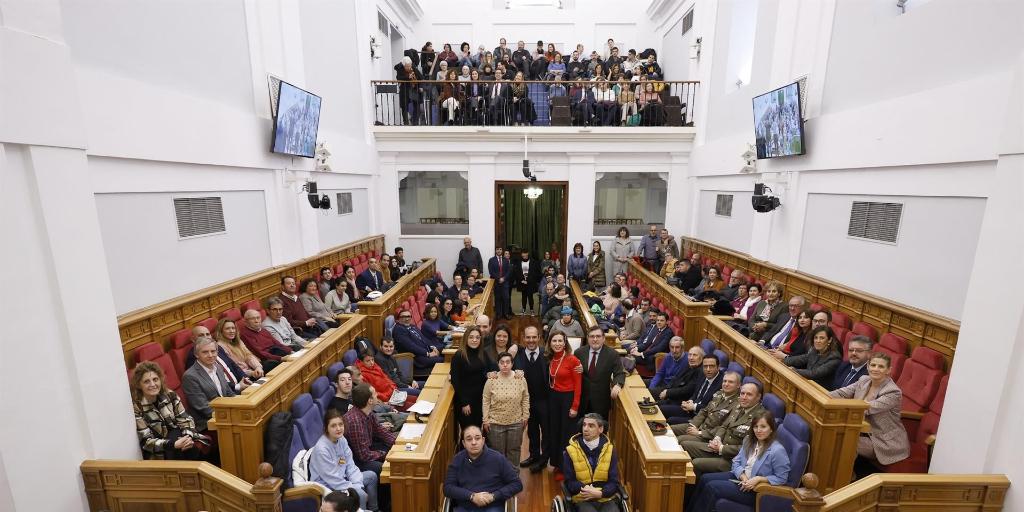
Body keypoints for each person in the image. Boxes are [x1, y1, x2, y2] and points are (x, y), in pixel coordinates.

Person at [686, 411, 791, 512]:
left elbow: (782, 478)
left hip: (755, 490)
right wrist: (743, 476)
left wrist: (758, 479)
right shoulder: (749, 440)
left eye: (763, 427)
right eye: (755, 426)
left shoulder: (777, 450)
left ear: (771, 429)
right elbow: (736, 461)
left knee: (712, 487)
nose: (758, 430)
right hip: (741, 478)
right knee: (704, 478)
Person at [829, 353, 910, 470]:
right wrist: (822, 397)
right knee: (837, 434)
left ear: (888, 370)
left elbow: (866, 408)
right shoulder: (864, 380)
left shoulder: (893, 392)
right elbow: (842, 393)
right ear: (867, 366)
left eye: (881, 366)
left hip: (882, 440)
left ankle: (845, 477)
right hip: (861, 430)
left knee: (846, 440)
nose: (876, 369)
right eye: (873, 365)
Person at [680, 382, 766, 477]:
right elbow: (724, 426)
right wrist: (717, 438)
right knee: (684, 445)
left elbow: (750, 448)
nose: (744, 397)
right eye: (742, 393)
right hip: (719, 448)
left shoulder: (760, 418)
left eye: (749, 394)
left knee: (696, 463)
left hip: (733, 459)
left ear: (758, 397)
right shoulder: (739, 407)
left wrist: (721, 448)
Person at [131, 361, 205, 460]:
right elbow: (146, 442)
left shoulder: (170, 395)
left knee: (189, 448)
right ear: (139, 385)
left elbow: (185, 419)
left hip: (179, 437)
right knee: (184, 452)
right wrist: (173, 444)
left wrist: (187, 437)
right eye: (146, 381)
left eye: (155, 379)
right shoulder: (137, 408)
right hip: (160, 449)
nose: (152, 384)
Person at [310, 409, 378, 511]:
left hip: (343, 479)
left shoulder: (341, 439)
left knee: (371, 476)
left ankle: (373, 509)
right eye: (333, 426)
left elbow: (350, 466)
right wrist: (355, 490)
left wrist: (357, 485)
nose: (338, 428)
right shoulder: (322, 449)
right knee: (360, 495)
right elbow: (333, 480)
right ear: (326, 428)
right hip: (329, 487)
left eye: (340, 424)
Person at [443, 425, 524, 512]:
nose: (474, 442)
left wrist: (493, 496)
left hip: (493, 506)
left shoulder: (498, 458)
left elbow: (517, 484)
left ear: (483, 440)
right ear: (464, 443)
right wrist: (471, 496)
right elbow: (448, 487)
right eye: (469, 439)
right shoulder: (457, 460)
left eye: (477, 438)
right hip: (466, 506)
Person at [182, 337, 248, 431]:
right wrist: (231, 415)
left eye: (213, 351)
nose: (210, 355)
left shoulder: (218, 367)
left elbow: (228, 393)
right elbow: (203, 407)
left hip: (225, 413)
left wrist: (242, 404)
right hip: (208, 421)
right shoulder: (190, 376)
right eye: (205, 352)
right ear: (196, 354)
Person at [562, 414, 622, 512]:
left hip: (605, 497)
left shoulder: (610, 450)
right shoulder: (570, 451)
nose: (585, 429)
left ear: (600, 429)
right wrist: (586, 489)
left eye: (591, 426)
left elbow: (614, 482)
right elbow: (570, 482)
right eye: (584, 425)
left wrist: (601, 493)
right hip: (582, 497)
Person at [544, 331, 583, 478]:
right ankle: (556, 463)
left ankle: (565, 468)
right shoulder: (550, 358)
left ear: (565, 342)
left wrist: (575, 406)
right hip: (553, 398)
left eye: (560, 341)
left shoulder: (573, 360)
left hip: (568, 398)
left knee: (566, 433)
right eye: (554, 341)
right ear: (550, 343)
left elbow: (578, 385)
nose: (557, 344)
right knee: (554, 431)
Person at [482, 352, 530, 466]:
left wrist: (526, 416)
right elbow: (486, 401)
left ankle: (513, 475)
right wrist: (485, 420)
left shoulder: (520, 378)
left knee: (514, 451)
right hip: (496, 422)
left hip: (516, 422)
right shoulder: (491, 380)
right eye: (502, 362)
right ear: (498, 364)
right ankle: (498, 475)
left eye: (508, 362)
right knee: (497, 453)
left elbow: (525, 398)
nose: (505, 365)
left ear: (512, 364)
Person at [512, 326, 549, 472]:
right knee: (532, 431)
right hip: (527, 402)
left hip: (545, 400)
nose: (531, 340)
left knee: (546, 431)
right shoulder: (517, 355)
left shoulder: (547, 354)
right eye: (528, 337)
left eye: (534, 337)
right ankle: (534, 455)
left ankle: (544, 459)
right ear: (523, 338)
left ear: (539, 337)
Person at [672, 370, 742, 441]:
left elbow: (724, 427)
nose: (726, 384)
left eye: (730, 382)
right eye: (724, 381)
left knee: (678, 440)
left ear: (738, 385)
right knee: (671, 429)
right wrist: (694, 425)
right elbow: (704, 411)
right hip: (700, 426)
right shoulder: (719, 394)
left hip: (709, 436)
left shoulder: (738, 404)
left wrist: (700, 433)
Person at [343, 384, 397, 475]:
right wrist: (385, 454)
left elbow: (380, 430)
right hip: (357, 461)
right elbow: (364, 455)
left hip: (368, 449)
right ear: (370, 401)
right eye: (375, 393)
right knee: (387, 468)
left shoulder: (368, 412)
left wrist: (397, 443)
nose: (377, 395)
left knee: (393, 449)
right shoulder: (354, 422)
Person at [575, 326, 625, 420]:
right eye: (592, 336)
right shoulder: (579, 352)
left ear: (603, 338)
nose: (595, 339)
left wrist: (618, 385)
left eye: (598, 336)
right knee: (581, 426)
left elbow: (619, 373)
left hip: (601, 402)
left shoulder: (612, 354)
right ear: (588, 338)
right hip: (582, 401)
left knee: (600, 427)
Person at [665, 354, 723, 424]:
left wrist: (694, 407)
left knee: (671, 420)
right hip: (691, 410)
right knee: (662, 409)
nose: (708, 369)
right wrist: (690, 401)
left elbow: (712, 407)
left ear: (718, 367)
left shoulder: (722, 383)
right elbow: (696, 393)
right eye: (705, 366)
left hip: (702, 418)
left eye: (711, 366)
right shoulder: (702, 373)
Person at [452, 326, 489, 429]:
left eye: (477, 337)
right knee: (468, 431)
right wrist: (464, 402)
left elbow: (484, 374)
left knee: (477, 429)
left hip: (480, 399)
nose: (474, 340)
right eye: (471, 337)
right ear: (466, 339)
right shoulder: (459, 355)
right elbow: (455, 381)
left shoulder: (483, 353)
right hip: (466, 401)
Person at [392, 308, 444, 373]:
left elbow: (423, 338)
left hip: (425, 350)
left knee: (444, 350)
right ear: (398, 319)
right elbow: (411, 346)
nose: (407, 319)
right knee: (443, 359)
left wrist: (433, 347)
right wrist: (428, 354)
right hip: (417, 358)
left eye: (408, 316)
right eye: (403, 317)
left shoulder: (412, 326)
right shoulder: (399, 330)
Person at [395, 55, 425, 125]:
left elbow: (421, 77)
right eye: (407, 66)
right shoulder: (400, 69)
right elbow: (399, 78)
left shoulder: (413, 68)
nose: (409, 67)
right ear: (403, 65)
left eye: (409, 65)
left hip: (415, 89)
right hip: (405, 90)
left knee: (417, 106)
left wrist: (421, 86)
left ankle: (415, 122)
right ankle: (406, 123)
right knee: (404, 107)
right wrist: (408, 77)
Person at [489, 246, 512, 320]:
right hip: (496, 282)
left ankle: (506, 314)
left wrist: (504, 278)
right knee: (498, 298)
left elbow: (508, 271)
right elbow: (491, 271)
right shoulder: (491, 260)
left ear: (502, 250)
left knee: (506, 298)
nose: (499, 250)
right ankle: (499, 314)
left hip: (505, 282)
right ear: (495, 251)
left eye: (500, 249)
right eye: (497, 249)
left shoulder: (506, 260)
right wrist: (498, 278)